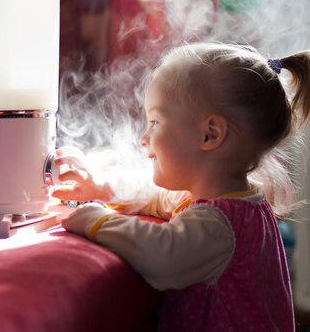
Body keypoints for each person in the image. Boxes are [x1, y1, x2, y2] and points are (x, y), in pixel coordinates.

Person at [51, 41, 310, 332]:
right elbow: (155, 198)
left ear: (210, 134)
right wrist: (100, 186)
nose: (144, 138)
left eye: (155, 121)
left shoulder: (218, 225)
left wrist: (96, 221)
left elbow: (162, 255)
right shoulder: (232, 199)